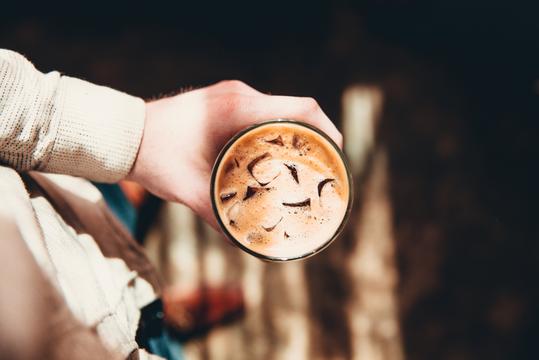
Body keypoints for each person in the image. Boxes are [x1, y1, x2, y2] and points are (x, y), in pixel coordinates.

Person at [0, 49, 343, 360]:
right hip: (123, 347)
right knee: (143, 309)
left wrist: (139, 140)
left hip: (62, 214)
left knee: (112, 207)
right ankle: (167, 315)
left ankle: (149, 292)